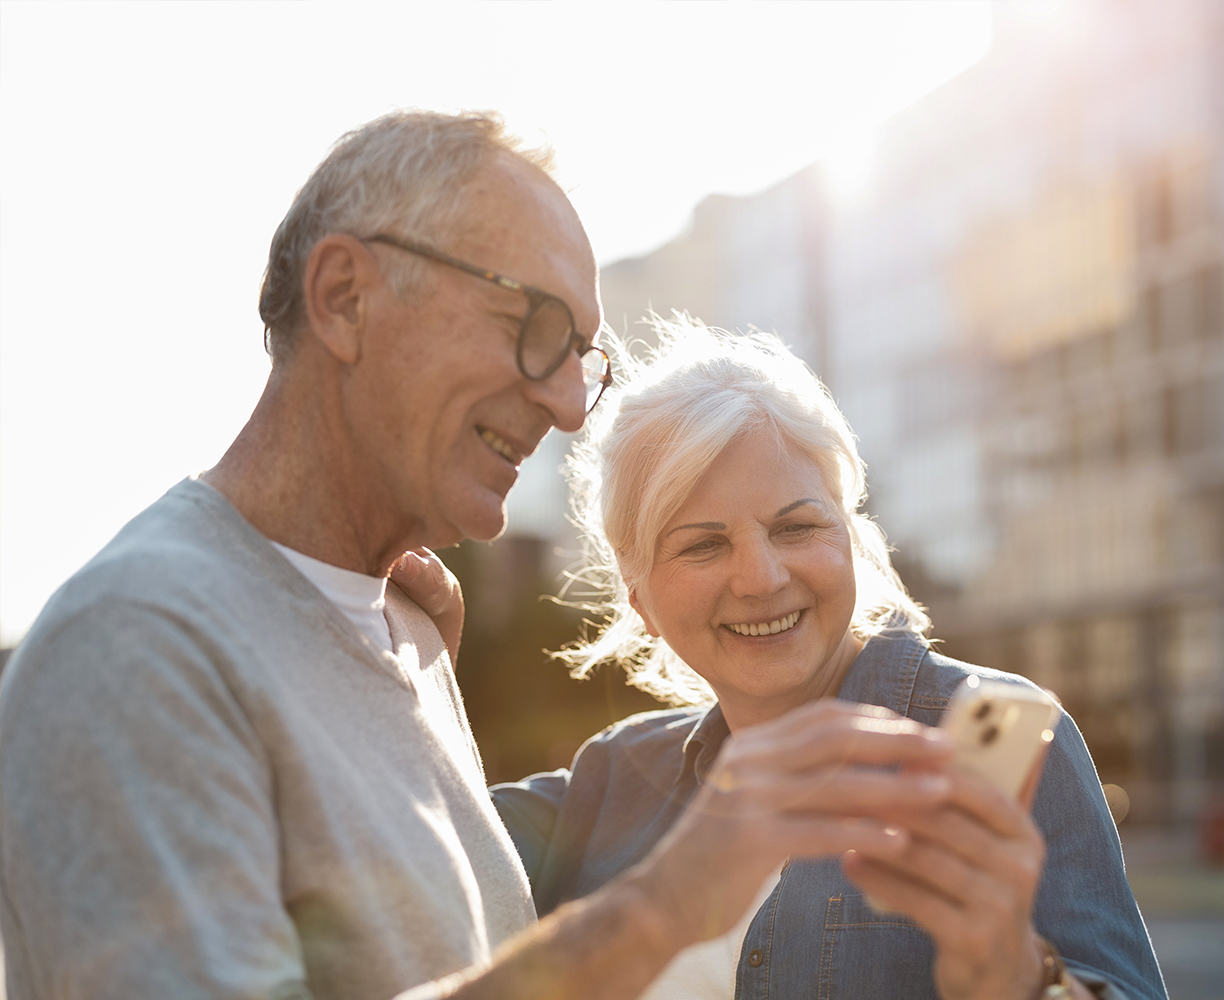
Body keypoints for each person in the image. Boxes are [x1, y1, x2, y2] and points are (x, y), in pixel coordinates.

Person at [0, 111, 961, 1000]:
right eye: (534, 328)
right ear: (344, 299)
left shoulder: (405, 630)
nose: (570, 408)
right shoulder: (132, 647)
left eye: (583, 356)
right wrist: (657, 912)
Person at [490, 320, 1170, 1000]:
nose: (760, 578)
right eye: (703, 545)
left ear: (849, 536)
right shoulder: (613, 777)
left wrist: (1023, 980)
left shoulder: (1001, 745)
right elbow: (395, 851)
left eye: (796, 527)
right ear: (639, 598)